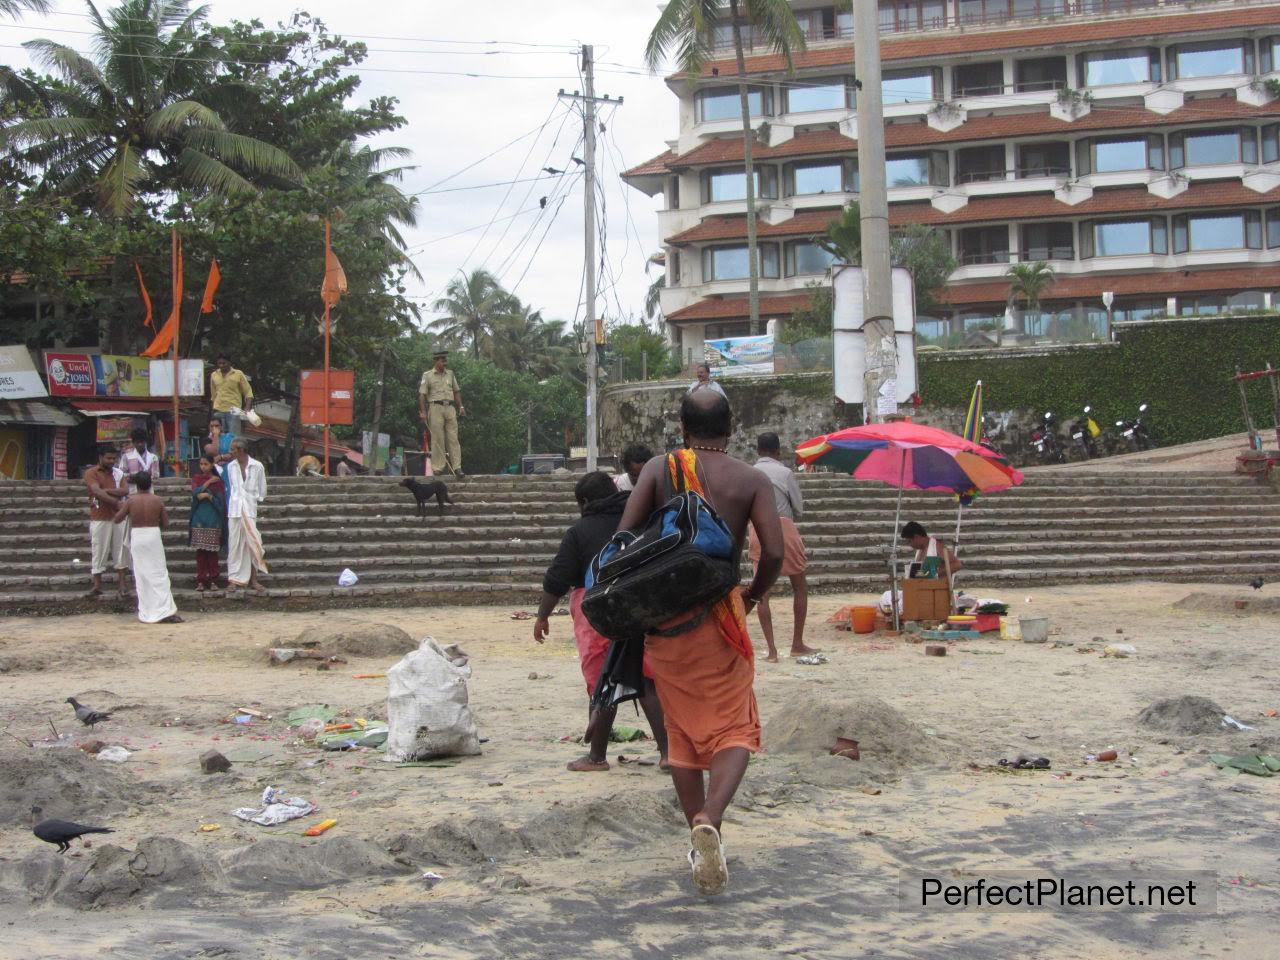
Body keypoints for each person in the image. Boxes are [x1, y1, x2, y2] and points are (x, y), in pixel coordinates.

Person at [618, 389, 783, 897]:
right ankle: (711, 816)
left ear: (683, 428)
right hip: (722, 613)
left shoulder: (658, 471)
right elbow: (773, 552)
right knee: (735, 723)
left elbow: (624, 539)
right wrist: (752, 596)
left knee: (682, 729)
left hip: (667, 616)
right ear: (730, 427)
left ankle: (699, 830)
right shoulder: (751, 479)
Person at [533, 471, 668, 773]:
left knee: (603, 682)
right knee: (646, 679)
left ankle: (596, 756)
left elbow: (557, 578)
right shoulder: (642, 521)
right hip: (641, 606)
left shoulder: (579, 532)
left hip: (596, 611)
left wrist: (542, 616)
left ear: (584, 502)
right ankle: (668, 752)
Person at [747, 433, 817, 661]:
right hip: (784, 527)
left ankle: (772, 650)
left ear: (758, 451)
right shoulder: (785, 473)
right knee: (799, 586)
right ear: (778, 451)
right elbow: (798, 508)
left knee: (761, 593)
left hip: (758, 529)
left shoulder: (749, 473)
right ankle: (797, 643)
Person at [113, 471, 181, 623]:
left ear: (136, 485)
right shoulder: (157, 500)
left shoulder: (131, 501)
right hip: (153, 535)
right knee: (159, 573)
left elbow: (117, 519)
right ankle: (165, 610)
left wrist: (120, 507)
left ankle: (147, 611)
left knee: (142, 574)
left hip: (138, 536)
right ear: (150, 483)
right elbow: (166, 524)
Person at [83, 447, 129, 598]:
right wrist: (115, 502)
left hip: (118, 518)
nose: (111, 461)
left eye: (113, 458)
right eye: (108, 458)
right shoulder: (91, 473)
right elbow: (96, 491)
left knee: (121, 550)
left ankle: (122, 585)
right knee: (98, 550)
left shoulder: (118, 473)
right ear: (101, 457)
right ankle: (97, 585)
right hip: (99, 516)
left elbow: (125, 491)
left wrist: (105, 491)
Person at [224, 438, 268, 597]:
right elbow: (233, 488)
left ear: (241, 450)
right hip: (235, 510)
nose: (230, 452)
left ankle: (253, 579)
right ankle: (233, 580)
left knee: (253, 544)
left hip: (249, 509)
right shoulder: (230, 467)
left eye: (232, 449)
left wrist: (252, 499)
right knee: (234, 545)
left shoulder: (257, 466)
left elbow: (262, 491)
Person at [418, 348, 466, 478]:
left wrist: (460, 406)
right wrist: (423, 412)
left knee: (453, 438)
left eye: (445, 360)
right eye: (442, 360)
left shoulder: (450, 374)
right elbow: (422, 395)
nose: (445, 363)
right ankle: (438, 468)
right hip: (435, 407)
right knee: (437, 438)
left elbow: (456, 391)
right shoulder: (427, 375)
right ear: (436, 361)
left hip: (450, 407)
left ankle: (457, 467)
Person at [189, 455, 227, 592]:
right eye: (201, 464)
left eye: (206, 464)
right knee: (200, 553)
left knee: (212, 554)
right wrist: (209, 482)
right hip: (198, 519)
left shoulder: (219, 482)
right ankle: (200, 581)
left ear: (212, 465)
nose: (203, 466)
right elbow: (196, 494)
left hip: (213, 520)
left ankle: (213, 580)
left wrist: (209, 496)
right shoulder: (197, 479)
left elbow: (220, 503)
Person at [209, 353, 253, 435]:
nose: (221, 365)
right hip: (218, 411)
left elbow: (248, 393)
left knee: (233, 437)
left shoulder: (238, 374)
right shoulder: (214, 375)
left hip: (233, 411)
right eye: (219, 363)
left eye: (224, 363)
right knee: (218, 436)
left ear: (229, 363)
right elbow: (213, 395)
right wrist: (212, 413)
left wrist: (247, 409)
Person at [118, 427, 160, 495]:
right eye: (137, 442)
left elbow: (155, 476)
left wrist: (139, 478)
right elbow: (121, 475)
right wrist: (138, 478)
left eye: (142, 442)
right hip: (131, 492)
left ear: (145, 442)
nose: (140, 444)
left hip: (148, 492)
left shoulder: (153, 457)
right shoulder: (126, 457)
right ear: (133, 443)